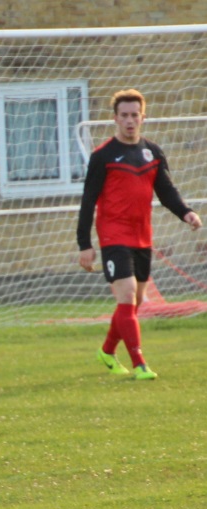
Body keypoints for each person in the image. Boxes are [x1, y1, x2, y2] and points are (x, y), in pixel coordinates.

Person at [77, 89, 202, 380]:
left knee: (133, 302)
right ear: (115, 118)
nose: (130, 120)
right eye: (124, 115)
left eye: (135, 115)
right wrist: (85, 244)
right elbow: (88, 201)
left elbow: (166, 190)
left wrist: (186, 212)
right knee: (127, 295)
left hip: (142, 236)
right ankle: (140, 364)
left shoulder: (153, 152)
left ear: (143, 117)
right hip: (113, 235)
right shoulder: (102, 156)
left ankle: (107, 351)